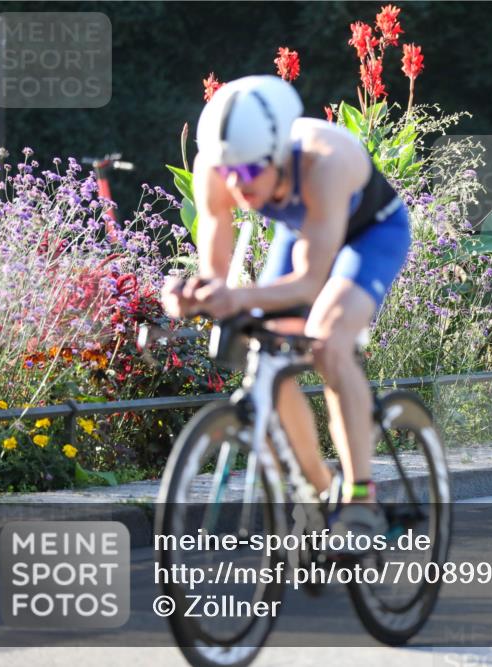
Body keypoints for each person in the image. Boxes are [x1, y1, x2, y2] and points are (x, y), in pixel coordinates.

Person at [160, 74, 410, 548]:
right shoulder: (220, 165)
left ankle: (360, 499)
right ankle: (319, 489)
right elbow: (217, 269)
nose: (238, 186)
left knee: (328, 341)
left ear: (280, 155)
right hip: (306, 229)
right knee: (266, 350)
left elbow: (310, 282)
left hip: (370, 234)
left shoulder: (325, 161)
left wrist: (238, 297)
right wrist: (195, 295)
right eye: (228, 173)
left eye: (251, 174)